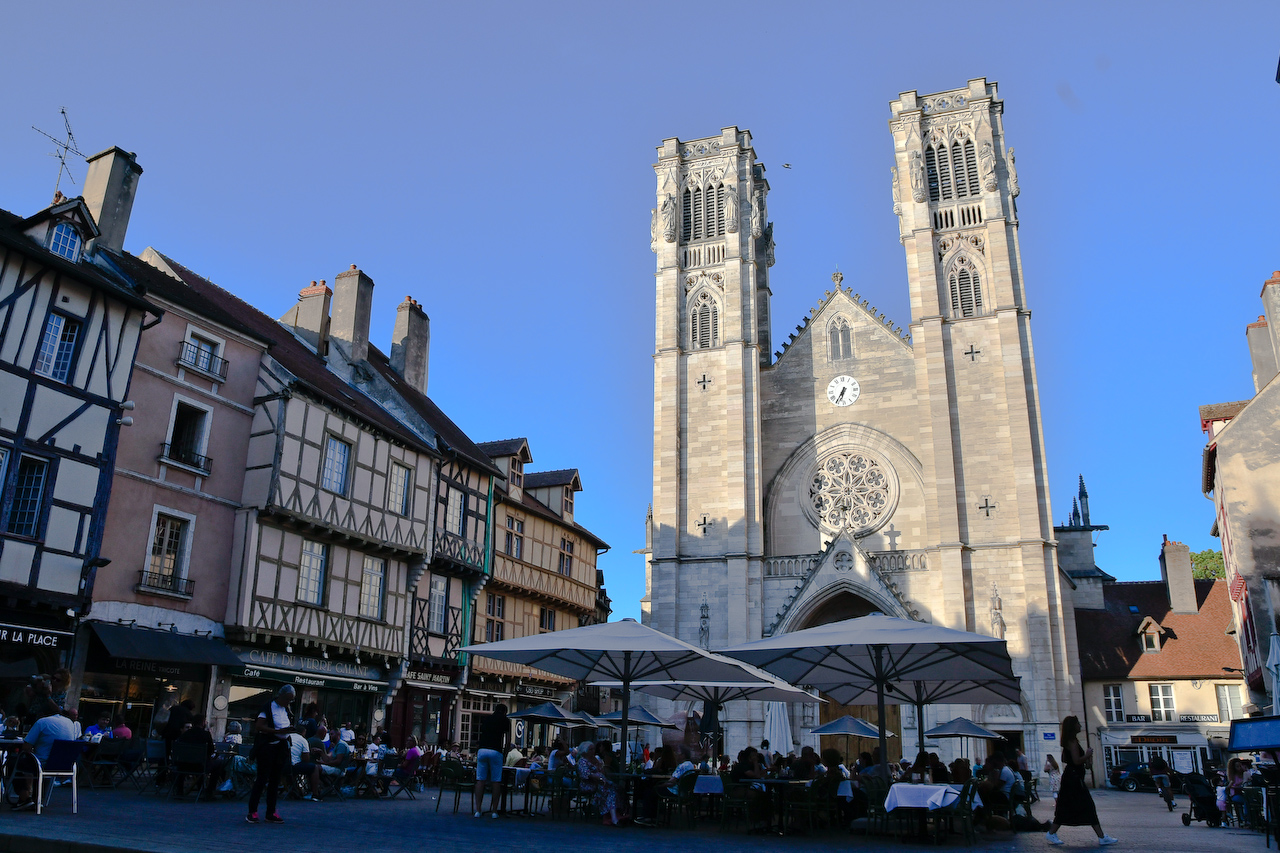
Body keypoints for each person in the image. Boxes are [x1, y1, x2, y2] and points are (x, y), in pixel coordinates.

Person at [1046, 715, 1117, 846]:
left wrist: (1087, 758)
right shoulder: (1072, 742)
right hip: (1074, 780)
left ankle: (1052, 833)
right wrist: (1087, 755)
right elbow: (1076, 760)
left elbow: (1064, 759)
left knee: (1068, 806)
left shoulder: (1070, 741)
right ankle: (1101, 837)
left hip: (1072, 778)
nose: (1080, 725)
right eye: (1078, 723)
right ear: (1073, 726)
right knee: (1086, 806)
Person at [12, 700, 77, 810]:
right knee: (32, 762)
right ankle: (38, 798)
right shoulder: (70, 723)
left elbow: (26, 747)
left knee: (14, 761)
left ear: (41, 713)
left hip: (42, 763)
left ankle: (24, 798)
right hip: (64, 763)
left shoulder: (42, 722)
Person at [247, 684, 295, 824]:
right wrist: (277, 732)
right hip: (268, 747)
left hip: (280, 747)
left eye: (290, 700)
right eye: (287, 699)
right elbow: (259, 726)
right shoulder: (268, 707)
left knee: (275, 780)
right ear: (280, 696)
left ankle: (271, 811)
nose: (288, 702)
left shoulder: (286, 709)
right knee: (262, 778)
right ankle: (252, 811)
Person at [472, 703, 509, 818]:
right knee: (496, 781)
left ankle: (478, 810)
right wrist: (505, 754)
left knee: (480, 780)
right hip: (495, 750)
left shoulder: (487, 719)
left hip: (482, 750)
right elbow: (507, 740)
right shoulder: (505, 720)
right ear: (504, 712)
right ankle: (494, 811)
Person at [577, 741, 625, 826]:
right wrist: (599, 778)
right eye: (590, 749)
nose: (593, 751)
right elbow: (586, 774)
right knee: (609, 790)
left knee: (616, 789)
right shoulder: (582, 761)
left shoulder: (596, 759)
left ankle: (614, 815)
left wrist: (599, 765)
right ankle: (613, 817)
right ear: (585, 751)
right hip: (589, 784)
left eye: (593, 749)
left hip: (601, 783)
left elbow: (603, 771)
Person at [288, 730, 322, 800]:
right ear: (303, 732)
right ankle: (315, 794)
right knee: (314, 768)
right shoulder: (302, 740)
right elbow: (306, 759)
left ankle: (294, 789)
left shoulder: (287, 737)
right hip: (294, 766)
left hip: (282, 765)